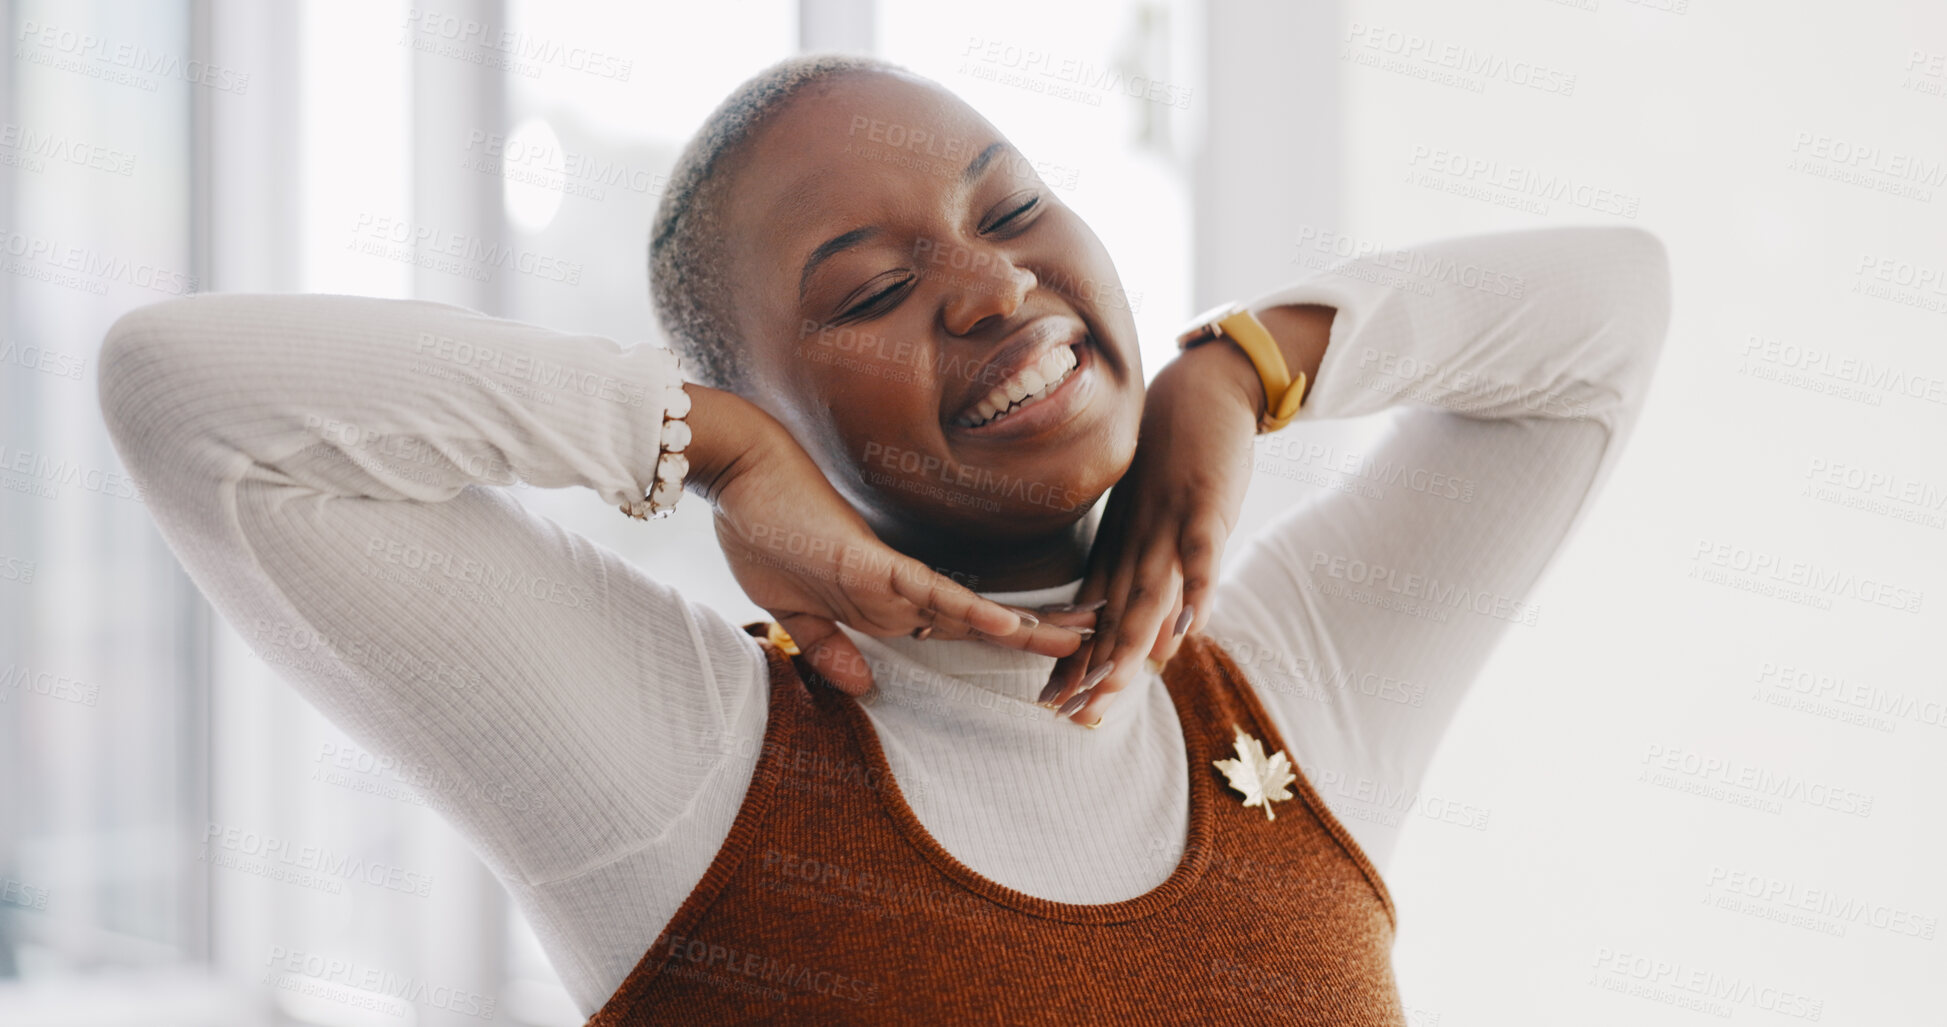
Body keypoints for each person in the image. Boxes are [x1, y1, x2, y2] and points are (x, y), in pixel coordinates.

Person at [98, 54, 1670, 1024]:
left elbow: (1612, 308)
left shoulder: (1288, 685)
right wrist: (706, 453)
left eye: (1012, 211)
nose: (994, 292)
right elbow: (193, 396)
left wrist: (1246, 367)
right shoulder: (682, 763)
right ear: (763, 397)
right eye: (866, 291)